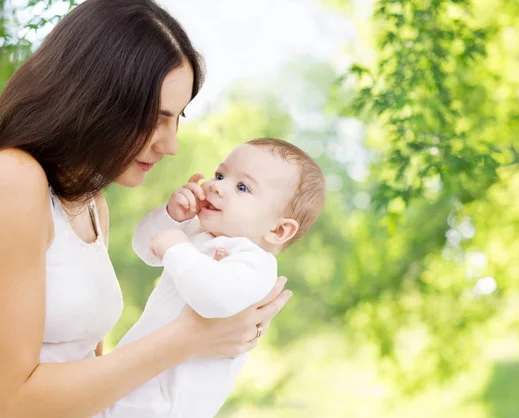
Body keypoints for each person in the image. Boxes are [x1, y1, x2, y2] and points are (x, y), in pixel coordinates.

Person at [0, 1, 291, 417]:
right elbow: (10, 401)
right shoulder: (13, 178)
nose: (171, 145)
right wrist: (190, 337)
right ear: (93, 98)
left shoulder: (91, 204)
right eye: (156, 117)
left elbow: (90, 379)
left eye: (179, 118)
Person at [102, 138, 326, 418]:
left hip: (165, 407)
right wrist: (171, 216)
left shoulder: (256, 263)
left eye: (242, 187)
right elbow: (145, 248)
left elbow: (215, 300)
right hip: (125, 384)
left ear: (279, 231)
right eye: (220, 175)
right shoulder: (197, 233)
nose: (216, 186)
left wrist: (175, 247)